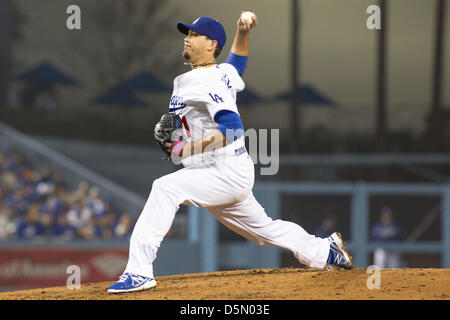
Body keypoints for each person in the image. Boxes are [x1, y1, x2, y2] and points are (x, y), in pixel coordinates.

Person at [107, 11, 353, 294]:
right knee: (264, 231)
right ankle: (326, 250)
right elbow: (237, 63)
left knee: (164, 188)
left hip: (222, 172)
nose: (187, 38)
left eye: (194, 34)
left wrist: (186, 147)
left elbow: (233, 128)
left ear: (211, 44)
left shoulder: (207, 80)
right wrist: (243, 31)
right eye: (187, 34)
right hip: (218, 172)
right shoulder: (220, 73)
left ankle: (139, 271)